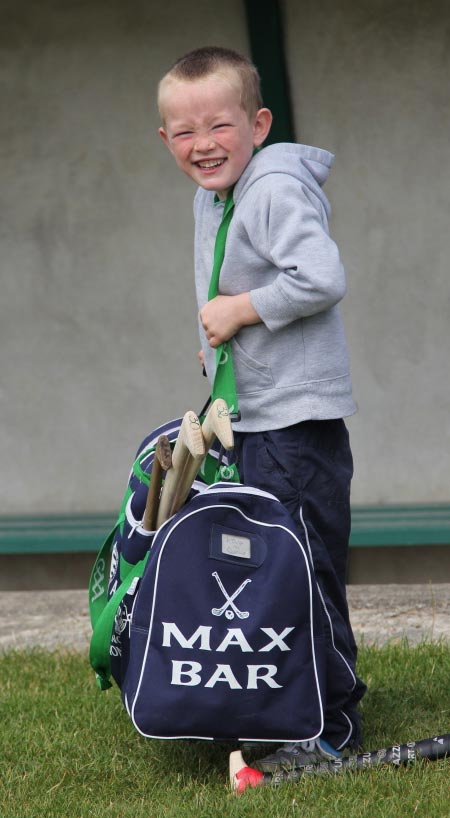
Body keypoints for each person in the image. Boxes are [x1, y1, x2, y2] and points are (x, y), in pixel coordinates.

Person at [157, 45, 366, 770]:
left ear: (259, 123)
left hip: (295, 424)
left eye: (219, 124)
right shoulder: (213, 194)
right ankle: (289, 705)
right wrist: (218, 352)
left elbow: (322, 276)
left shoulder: (273, 188)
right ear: (164, 140)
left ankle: (330, 725)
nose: (202, 143)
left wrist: (241, 310)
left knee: (301, 570)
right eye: (183, 132)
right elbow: (225, 283)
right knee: (275, 572)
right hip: (257, 416)